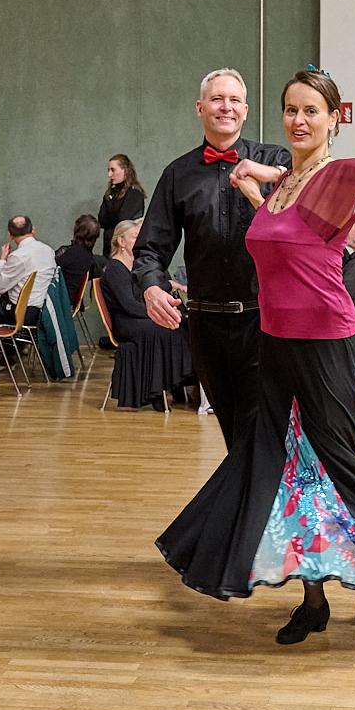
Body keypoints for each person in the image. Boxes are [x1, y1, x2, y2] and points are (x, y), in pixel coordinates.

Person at [155, 67, 355, 645]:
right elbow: (279, 232)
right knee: (284, 470)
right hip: (274, 342)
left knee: (330, 466)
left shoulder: (336, 176)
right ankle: (313, 601)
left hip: (328, 344)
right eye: (291, 110)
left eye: (312, 111)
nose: (299, 120)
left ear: (335, 118)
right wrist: (251, 182)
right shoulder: (286, 184)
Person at [133, 68, 290, 448]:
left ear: (247, 110)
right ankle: (246, 504)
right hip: (206, 325)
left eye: (235, 100)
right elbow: (150, 248)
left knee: (263, 431)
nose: (226, 107)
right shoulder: (178, 174)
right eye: (218, 99)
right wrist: (151, 288)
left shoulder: (275, 160)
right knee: (234, 434)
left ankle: (252, 505)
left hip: (263, 321)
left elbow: (301, 196)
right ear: (200, 108)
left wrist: (268, 176)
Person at [101, 220, 192, 411]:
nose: (140, 241)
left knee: (179, 325)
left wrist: (170, 290)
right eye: (135, 237)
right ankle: (158, 390)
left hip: (138, 317)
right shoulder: (115, 268)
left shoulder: (136, 265)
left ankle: (177, 383)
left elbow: (157, 287)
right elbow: (129, 305)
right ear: (121, 241)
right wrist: (158, 313)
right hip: (126, 321)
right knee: (164, 328)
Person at [0, 215, 56, 325]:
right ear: (33, 229)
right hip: (44, 311)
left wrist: (2, 259)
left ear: (10, 235)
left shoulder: (18, 257)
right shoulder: (49, 250)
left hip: (20, 314)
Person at [98, 155, 146, 258]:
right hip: (109, 248)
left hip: (125, 250)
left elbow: (123, 221)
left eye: (113, 170)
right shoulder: (111, 193)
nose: (109, 175)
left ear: (125, 170)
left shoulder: (134, 194)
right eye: (108, 170)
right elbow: (101, 220)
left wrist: (111, 206)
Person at [55, 214, 103, 306]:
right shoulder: (88, 257)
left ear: (76, 231)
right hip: (70, 300)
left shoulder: (72, 254)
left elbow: (50, 267)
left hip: (61, 302)